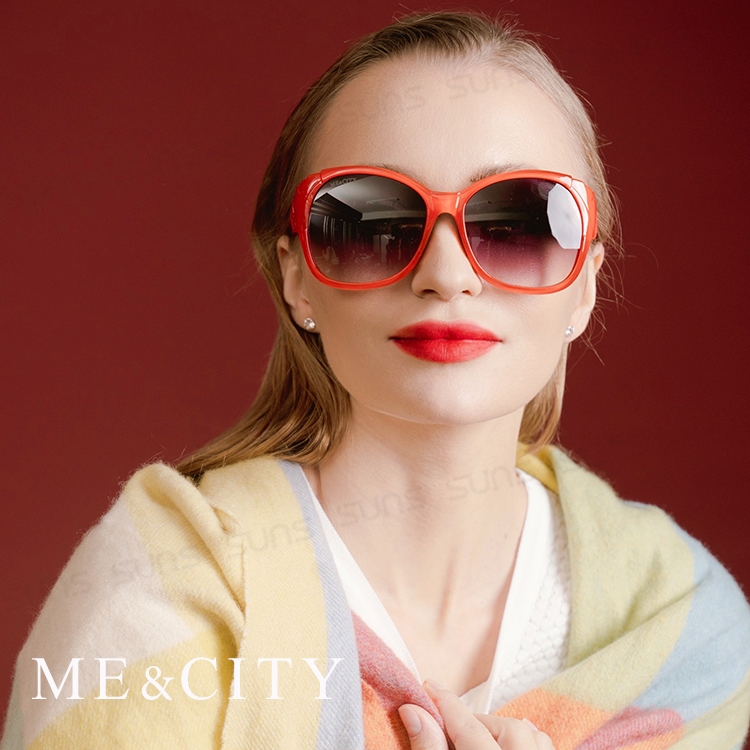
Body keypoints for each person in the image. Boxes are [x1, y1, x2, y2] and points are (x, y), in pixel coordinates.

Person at [3, 11, 749, 750]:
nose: (446, 275)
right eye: (370, 220)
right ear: (297, 278)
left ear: (584, 283)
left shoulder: (686, 627)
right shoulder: (147, 594)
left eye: (517, 222)